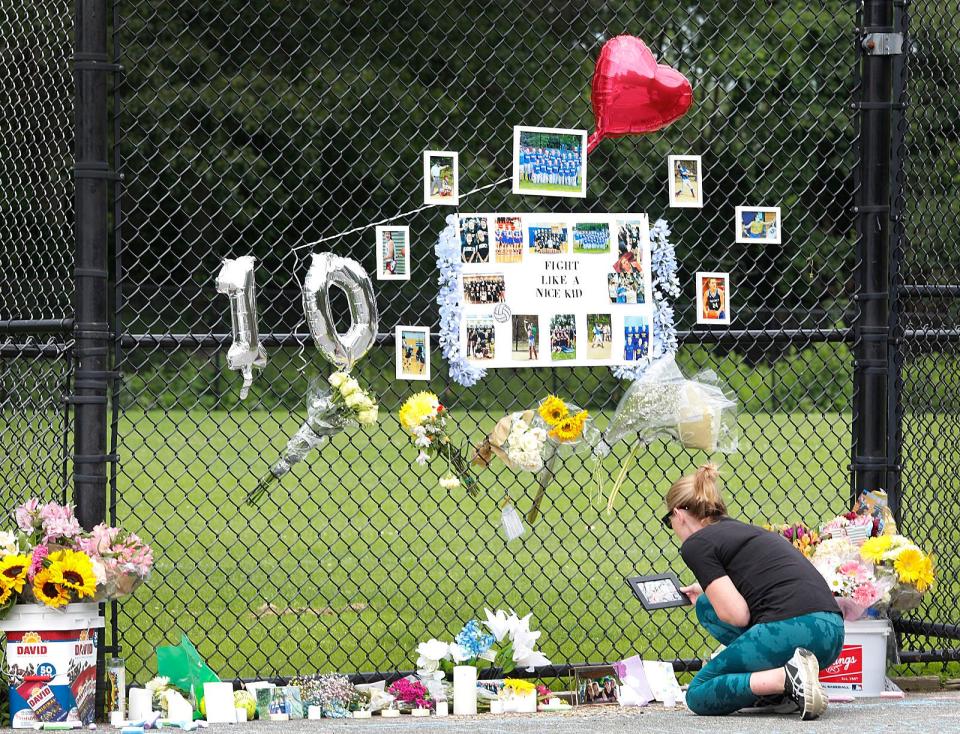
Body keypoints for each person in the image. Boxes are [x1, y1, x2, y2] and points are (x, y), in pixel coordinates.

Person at [664, 464, 844, 719]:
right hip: (831, 634)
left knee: (699, 693)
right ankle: (784, 689)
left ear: (678, 514)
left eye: (668, 521)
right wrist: (707, 593)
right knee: (706, 606)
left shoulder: (696, 544)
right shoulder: (743, 531)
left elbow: (738, 615)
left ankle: (786, 678)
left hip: (792, 629)